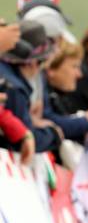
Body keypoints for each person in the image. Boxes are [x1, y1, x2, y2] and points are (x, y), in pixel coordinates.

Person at [0, 20, 61, 152]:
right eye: (42, 62)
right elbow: (25, 142)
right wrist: (54, 134)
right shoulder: (15, 89)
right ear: (31, 63)